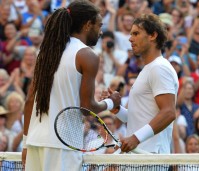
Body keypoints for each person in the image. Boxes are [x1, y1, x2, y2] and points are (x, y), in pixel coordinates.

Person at [22, 1, 121, 171]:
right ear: (88, 25)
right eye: (99, 25)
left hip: (35, 142)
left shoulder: (45, 53)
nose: (101, 31)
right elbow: (86, 108)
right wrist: (112, 102)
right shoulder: (87, 55)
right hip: (64, 146)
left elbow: (30, 100)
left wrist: (25, 143)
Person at [111, 13, 179, 154]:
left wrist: (135, 139)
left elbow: (169, 112)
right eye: (130, 34)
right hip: (140, 155)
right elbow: (138, 119)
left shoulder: (159, 67)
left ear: (152, 35)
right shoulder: (149, 68)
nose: (130, 39)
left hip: (150, 156)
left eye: (136, 33)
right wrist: (118, 109)